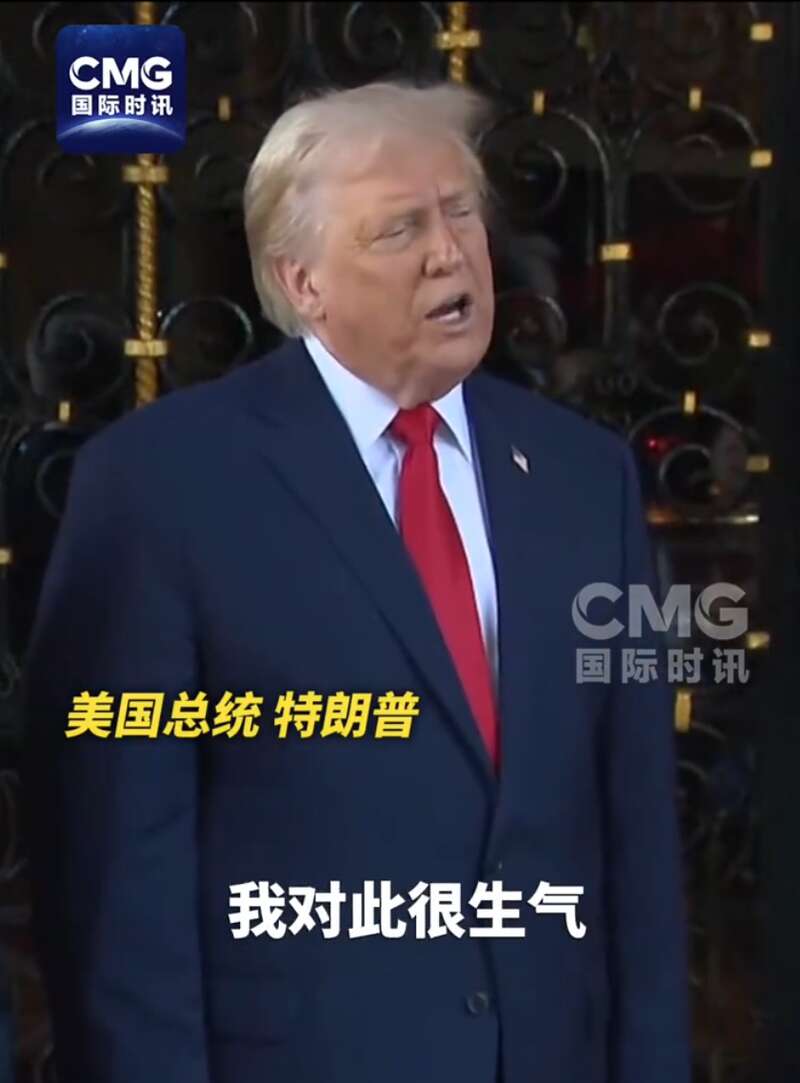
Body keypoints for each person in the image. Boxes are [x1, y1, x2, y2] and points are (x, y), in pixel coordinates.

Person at [22, 81, 689, 1083]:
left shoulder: (583, 477)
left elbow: (636, 829)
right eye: (399, 229)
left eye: (460, 212)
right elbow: (118, 873)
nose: (448, 253)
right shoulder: (161, 485)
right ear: (303, 282)